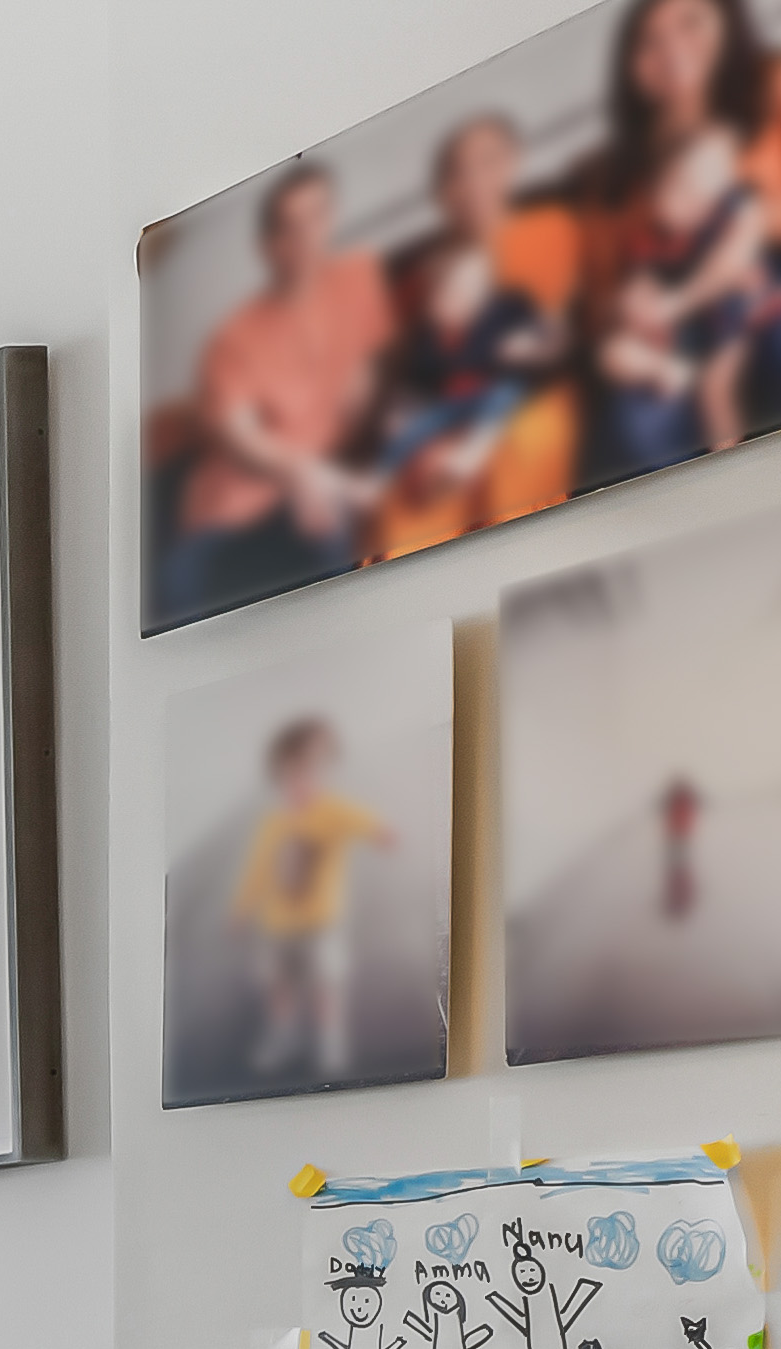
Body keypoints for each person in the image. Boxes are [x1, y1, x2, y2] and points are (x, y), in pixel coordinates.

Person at [161, 159, 390, 622]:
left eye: (317, 217)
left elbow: (366, 376)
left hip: (323, 486)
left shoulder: (357, 278)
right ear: (268, 245)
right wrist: (305, 474)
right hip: (235, 514)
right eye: (290, 227)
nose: (306, 238)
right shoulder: (233, 339)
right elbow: (241, 437)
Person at [365, 109, 585, 561]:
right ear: (442, 192)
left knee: (521, 436)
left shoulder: (552, 231)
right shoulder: (419, 276)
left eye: (487, 162)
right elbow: (411, 369)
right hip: (444, 402)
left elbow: (559, 337)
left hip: (523, 395)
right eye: (457, 172)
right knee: (409, 477)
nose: (472, 182)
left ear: (512, 164)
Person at [586, 0, 774, 476]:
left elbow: (742, 252)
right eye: (650, 39)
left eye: (689, 22)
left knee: (719, 382)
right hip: (666, 333)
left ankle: (732, 462)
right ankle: (671, 374)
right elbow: (619, 282)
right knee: (614, 355)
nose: (671, 50)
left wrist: (676, 301)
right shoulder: (631, 186)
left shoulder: (736, 204)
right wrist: (633, 302)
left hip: (721, 312)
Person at [230, 712, 395, 1083]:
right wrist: (241, 910)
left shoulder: (332, 809)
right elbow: (258, 869)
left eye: (310, 773)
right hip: (279, 923)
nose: (301, 782)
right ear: (282, 778)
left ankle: (329, 1039)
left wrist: (381, 833)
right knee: (280, 983)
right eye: (293, 775)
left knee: (325, 982)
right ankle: (283, 1034)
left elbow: (363, 821)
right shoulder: (274, 822)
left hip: (322, 920)